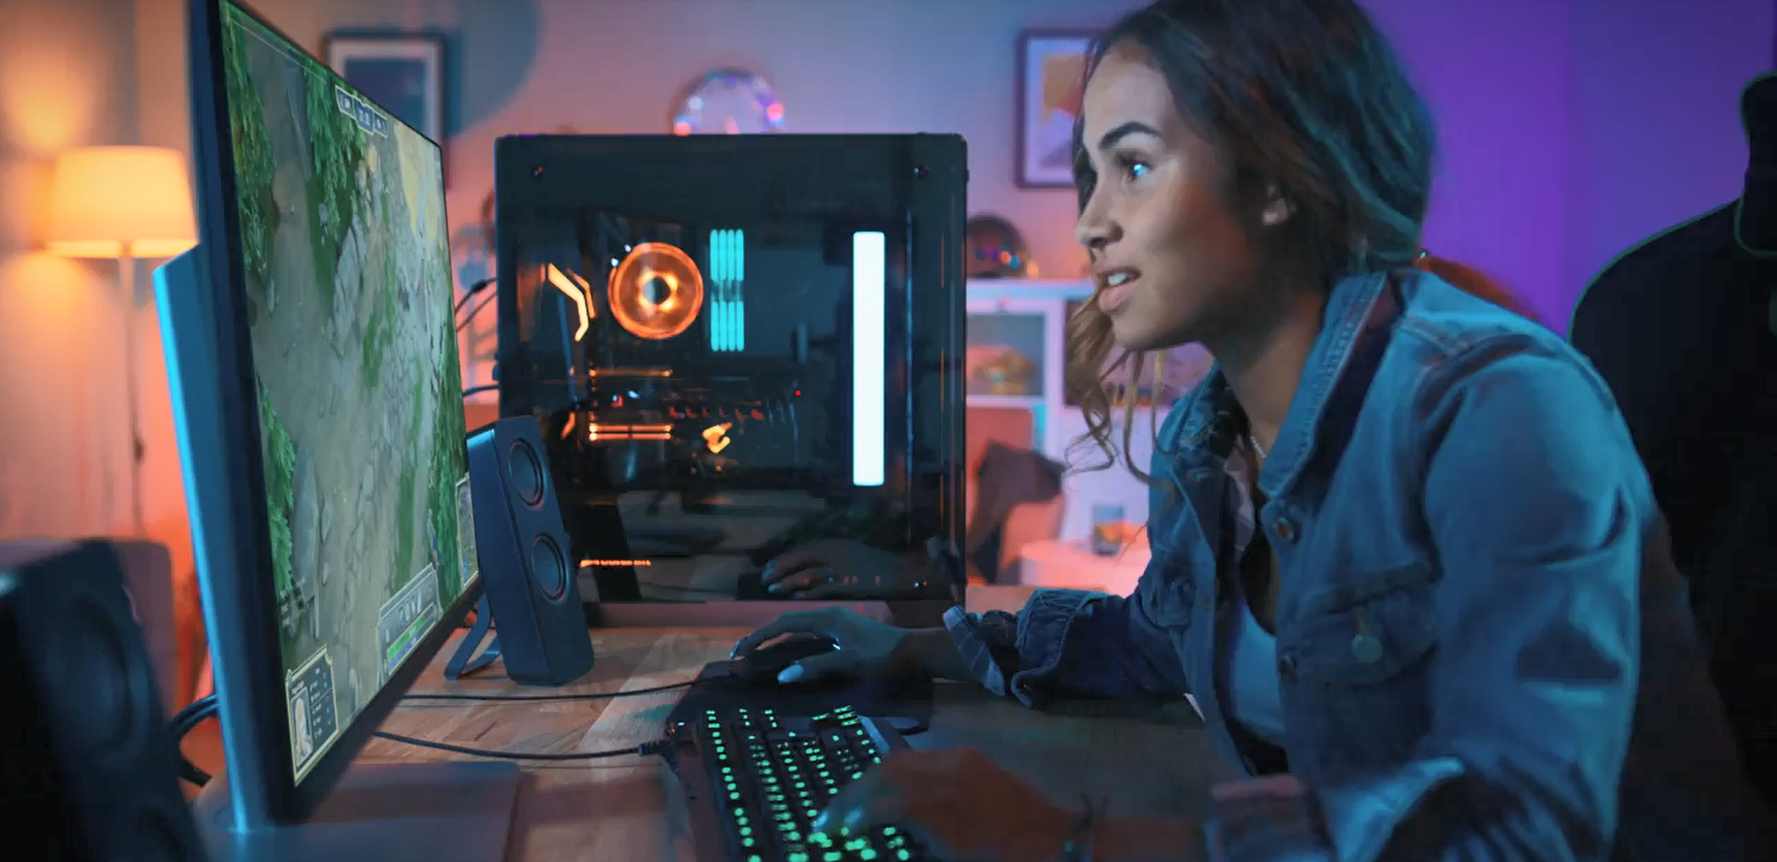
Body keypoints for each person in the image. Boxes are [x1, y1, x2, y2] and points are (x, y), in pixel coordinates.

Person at [733, 0, 1774, 859]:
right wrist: (908, 651)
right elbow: (1152, 639)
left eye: (1132, 165)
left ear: (1275, 179)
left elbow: (1525, 828)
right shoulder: (1205, 436)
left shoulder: (1495, 406)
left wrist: (1069, 840)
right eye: (1089, 171)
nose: (1092, 215)